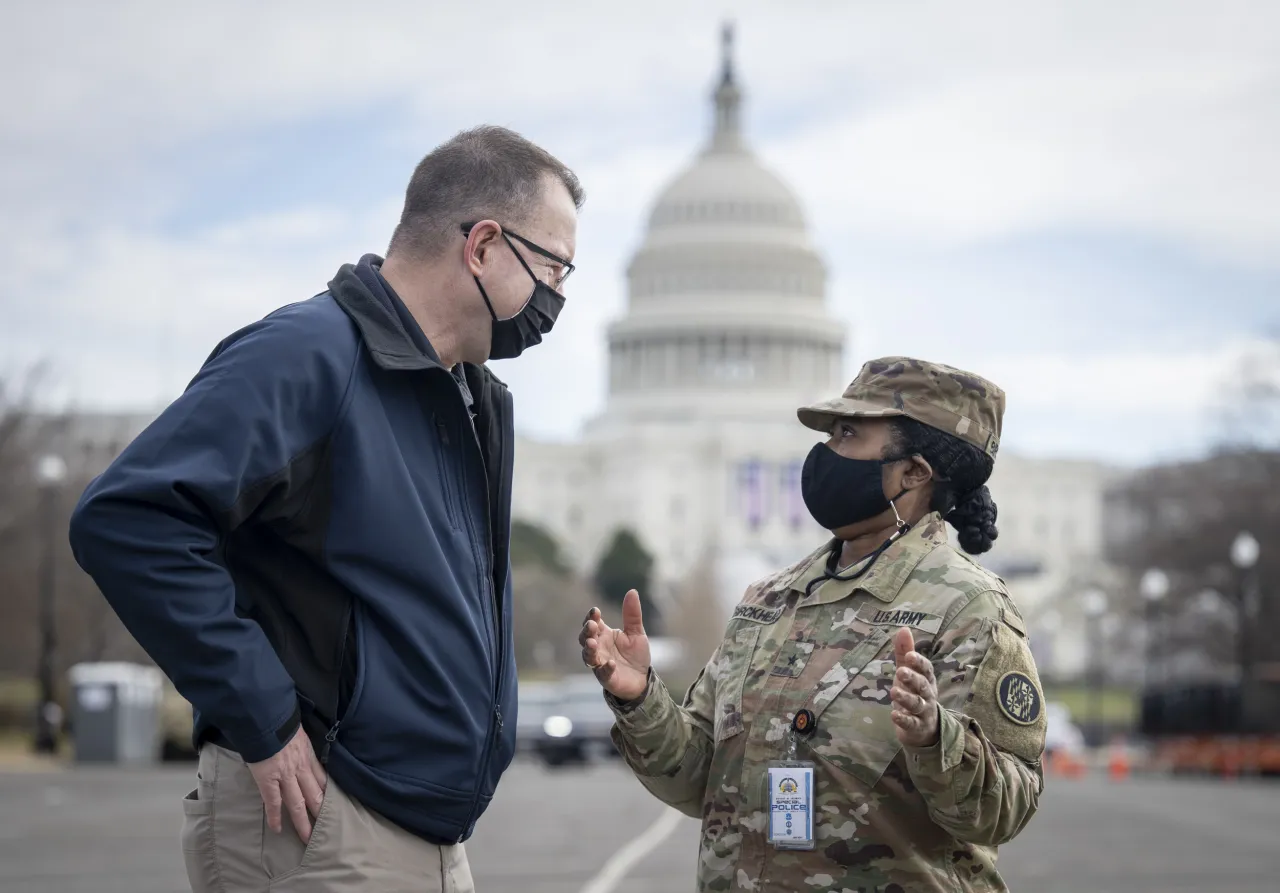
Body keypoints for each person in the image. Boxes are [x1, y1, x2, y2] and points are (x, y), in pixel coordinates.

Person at [69, 125, 583, 893]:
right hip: (319, 825)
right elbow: (131, 518)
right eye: (552, 265)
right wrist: (264, 716)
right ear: (481, 246)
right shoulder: (312, 356)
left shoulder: (468, 401)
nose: (558, 296)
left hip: (426, 835)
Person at [580, 357, 1047, 893]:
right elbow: (697, 780)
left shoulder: (970, 608)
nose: (825, 453)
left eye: (849, 434)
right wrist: (641, 699)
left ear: (913, 472)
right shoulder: (770, 599)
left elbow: (1006, 808)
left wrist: (934, 738)